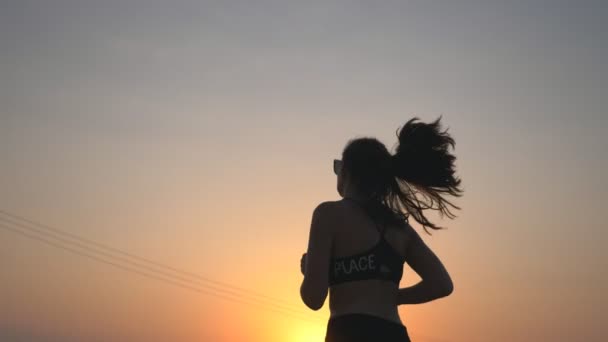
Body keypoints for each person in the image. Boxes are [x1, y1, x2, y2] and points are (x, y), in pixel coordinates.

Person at [299, 116, 463, 342]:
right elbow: (441, 284)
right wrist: (393, 297)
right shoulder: (399, 228)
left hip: (348, 332)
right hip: (394, 334)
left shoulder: (328, 214)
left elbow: (313, 298)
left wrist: (310, 270)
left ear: (346, 173)